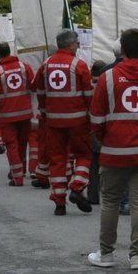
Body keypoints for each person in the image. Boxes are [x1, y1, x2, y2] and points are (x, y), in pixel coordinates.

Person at [89, 27, 138, 271]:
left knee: (110, 201)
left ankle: (106, 253)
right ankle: (136, 257)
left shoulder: (107, 78)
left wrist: (104, 141)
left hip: (114, 151)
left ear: (122, 49)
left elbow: (97, 118)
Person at [33, 29, 95, 216]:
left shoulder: (46, 64)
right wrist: (92, 118)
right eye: (76, 42)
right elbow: (89, 96)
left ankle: (59, 201)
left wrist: (45, 112)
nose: (78, 45)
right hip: (77, 120)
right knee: (84, 154)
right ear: (69, 44)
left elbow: (39, 91)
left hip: (53, 121)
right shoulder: (79, 65)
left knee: (57, 159)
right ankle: (77, 186)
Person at [0, 42, 36, 185]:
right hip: (25, 113)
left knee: (11, 145)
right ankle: (21, 170)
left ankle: (17, 177)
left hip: (7, 115)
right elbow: (32, 86)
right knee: (22, 144)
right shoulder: (24, 67)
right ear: (10, 51)